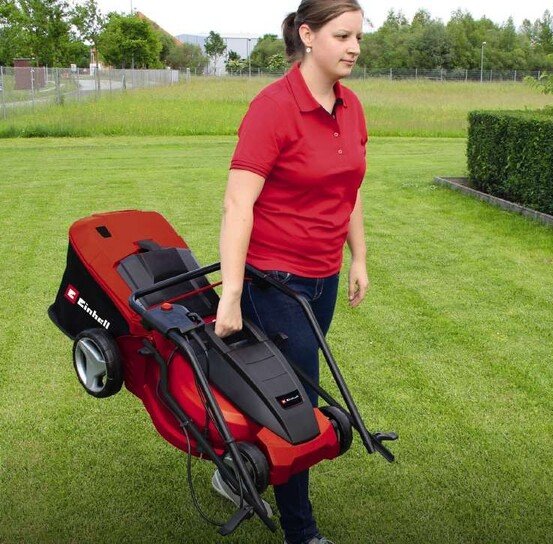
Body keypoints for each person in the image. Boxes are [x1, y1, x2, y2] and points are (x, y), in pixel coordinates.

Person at [212, 1, 368, 543]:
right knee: (298, 407)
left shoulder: (351, 106)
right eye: (342, 36)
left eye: (358, 37)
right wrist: (232, 293)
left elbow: (350, 189)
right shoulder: (273, 108)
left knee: (280, 388)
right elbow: (238, 203)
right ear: (307, 34)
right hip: (276, 283)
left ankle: (234, 469)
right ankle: (302, 532)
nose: (354, 48)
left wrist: (359, 257)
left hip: (323, 280)